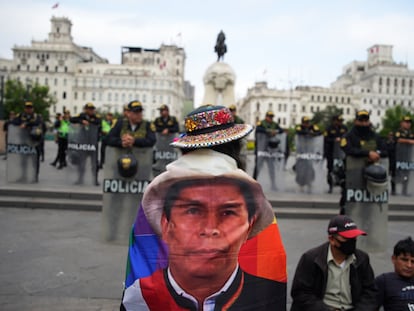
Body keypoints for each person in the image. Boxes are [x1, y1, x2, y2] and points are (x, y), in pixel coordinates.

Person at [121, 105, 287, 310]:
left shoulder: (156, 191)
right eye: (192, 210)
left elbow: (143, 254)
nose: (210, 229)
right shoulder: (253, 193)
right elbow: (269, 259)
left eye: (228, 212)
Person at [291, 214, 378, 311]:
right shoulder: (311, 259)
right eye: (347, 238)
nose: (352, 242)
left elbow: (371, 293)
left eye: (354, 238)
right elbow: (301, 293)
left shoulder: (362, 259)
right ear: (332, 240)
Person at [339, 110, 388, 212]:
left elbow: (386, 150)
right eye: (361, 120)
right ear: (355, 121)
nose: (363, 123)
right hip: (352, 175)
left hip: (372, 178)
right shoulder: (349, 136)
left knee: (369, 206)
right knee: (348, 205)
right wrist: (367, 154)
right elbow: (348, 149)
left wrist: (377, 154)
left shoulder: (375, 136)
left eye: (366, 120)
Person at [375, 236, 414, 311]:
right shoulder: (384, 281)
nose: (409, 265)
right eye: (404, 260)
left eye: (413, 262)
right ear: (394, 259)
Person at [70, 102, 101, 185]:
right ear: (86, 109)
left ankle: (95, 179)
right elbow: (72, 119)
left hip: (93, 143)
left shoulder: (96, 117)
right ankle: (80, 178)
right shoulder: (82, 115)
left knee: (94, 163)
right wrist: (81, 121)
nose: (91, 111)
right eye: (89, 109)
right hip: (83, 143)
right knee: (81, 162)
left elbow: (98, 123)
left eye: (92, 109)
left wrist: (89, 121)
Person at [11, 101, 43, 182]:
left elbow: (38, 122)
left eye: (30, 108)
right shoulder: (21, 116)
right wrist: (20, 124)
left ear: (33, 109)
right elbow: (14, 122)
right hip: (24, 141)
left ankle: (35, 176)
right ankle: (23, 175)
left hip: (34, 142)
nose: (28, 109)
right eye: (27, 108)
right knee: (23, 160)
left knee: (35, 161)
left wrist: (26, 124)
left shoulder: (36, 116)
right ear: (25, 109)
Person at [324, 115, 348, 193]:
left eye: (341, 121)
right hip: (331, 152)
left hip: (341, 153)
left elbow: (348, 137)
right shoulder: (329, 128)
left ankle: (342, 186)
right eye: (338, 121)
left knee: (342, 170)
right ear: (334, 121)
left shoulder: (344, 128)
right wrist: (334, 140)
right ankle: (330, 186)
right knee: (330, 170)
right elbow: (326, 139)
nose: (340, 122)